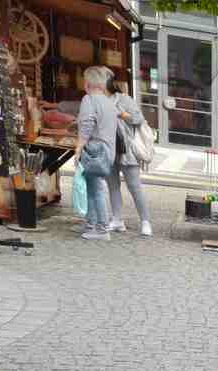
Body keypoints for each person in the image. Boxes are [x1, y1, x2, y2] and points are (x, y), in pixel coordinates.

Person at [74, 65, 118, 241]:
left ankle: (100, 228)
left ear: (87, 83)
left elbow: (86, 125)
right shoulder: (109, 102)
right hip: (107, 151)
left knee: (95, 189)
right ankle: (92, 225)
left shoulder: (89, 100)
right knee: (95, 187)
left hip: (95, 151)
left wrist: (78, 149)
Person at [107, 76, 152, 237]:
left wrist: (121, 114)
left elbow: (138, 119)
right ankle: (117, 220)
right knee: (113, 186)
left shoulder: (124, 99)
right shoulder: (96, 100)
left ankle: (145, 221)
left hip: (126, 150)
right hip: (109, 149)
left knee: (134, 187)